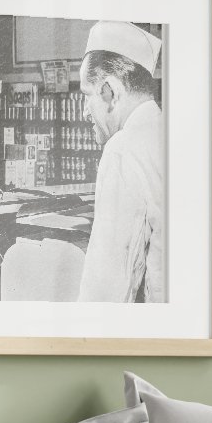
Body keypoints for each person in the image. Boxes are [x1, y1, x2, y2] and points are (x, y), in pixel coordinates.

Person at [75, 22, 165, 303]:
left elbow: (107, 285)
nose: (84, 112)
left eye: (86, 96)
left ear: (109, 92)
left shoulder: (123, 148)